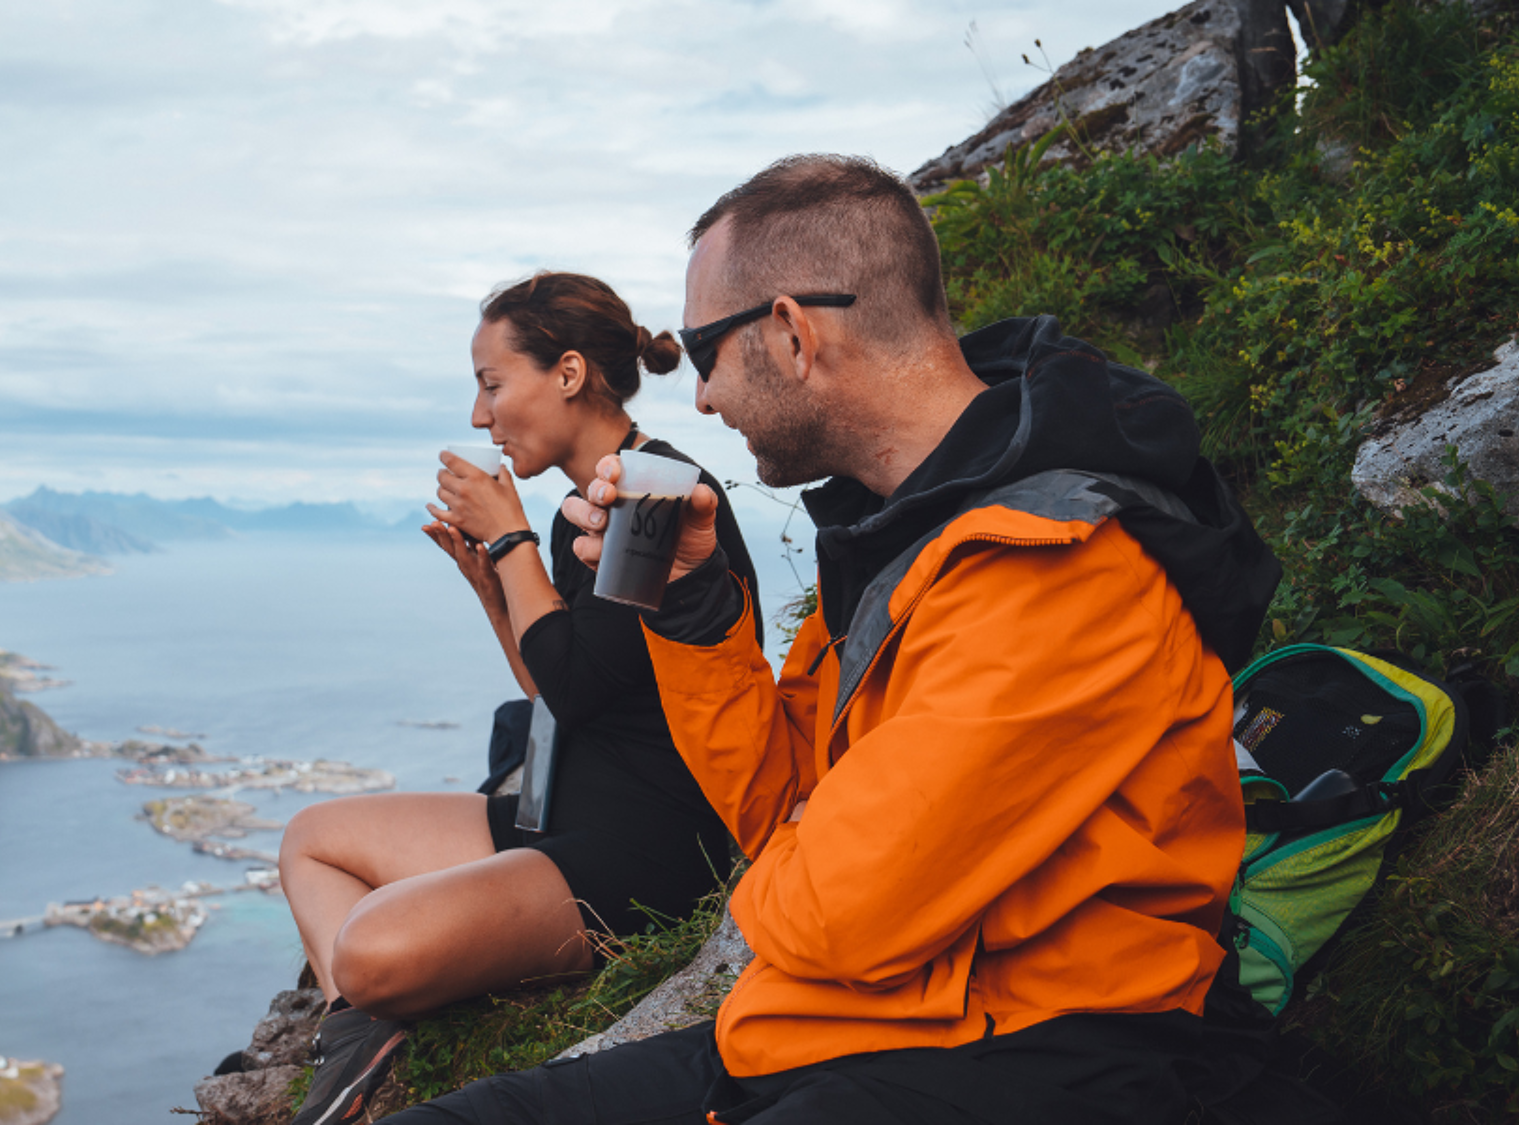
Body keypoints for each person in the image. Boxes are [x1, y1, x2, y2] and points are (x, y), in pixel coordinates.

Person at [381, 156, 1283, 1125]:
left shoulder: (1049, 571)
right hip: (844, 1026)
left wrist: (799, 849)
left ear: (791, 333)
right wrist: (696, 617)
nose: (697, 400)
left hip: (1026, 1047)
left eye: (701, 352)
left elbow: (836, 915)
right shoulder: (900, 537)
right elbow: (779, 812)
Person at [278, 271, 762, 1125]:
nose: (479, 415)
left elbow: (573, 690)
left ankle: (364, 1010)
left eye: (492, 384)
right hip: (561, 806)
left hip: (637, 850)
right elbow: (552, 685)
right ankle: (352, 1038)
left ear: (568, 373)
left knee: (368, 950)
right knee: (312, 840)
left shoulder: (655, 496)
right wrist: (493, 587)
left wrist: (509, 540)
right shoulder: (587, 501)